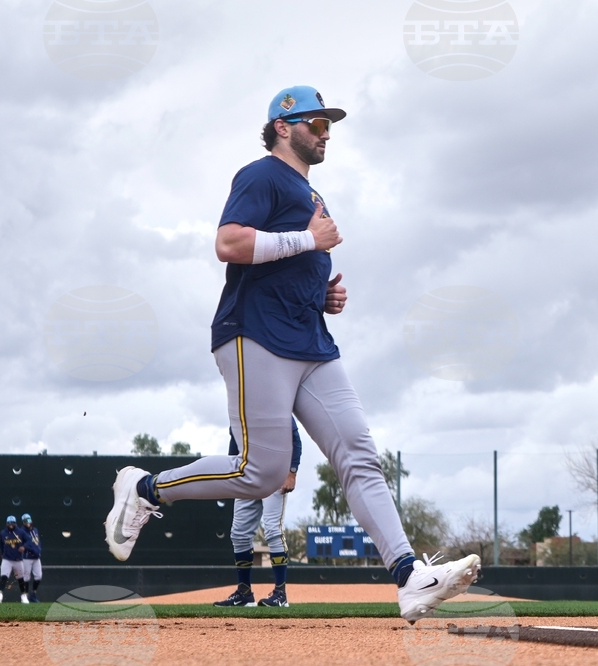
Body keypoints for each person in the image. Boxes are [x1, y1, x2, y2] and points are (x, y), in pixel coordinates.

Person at [103, 85, 481, 624]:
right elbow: (229, 244)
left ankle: (409, 576)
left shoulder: (312, 196)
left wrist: (323, 294)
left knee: (359, 453)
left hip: (309, 338)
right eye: (317, 123)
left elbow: (289, 260)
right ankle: (144, 488)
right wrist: (307, 242)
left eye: (330, 126)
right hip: (254, 334)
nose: (326, 133)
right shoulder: (261, 175)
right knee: (261, 473)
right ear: (284, 127)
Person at [214, 421, 300, 608]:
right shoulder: (239, 408)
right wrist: (232, 476)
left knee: (273, 530)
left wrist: (292, 472)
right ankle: (244, 593)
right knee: (238, 534)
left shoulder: (273, 401)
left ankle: (281, 594)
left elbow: (295, 438)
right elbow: (234, 446)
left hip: (274, 473)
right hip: (248, 476)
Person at [0, 515, 29, 604]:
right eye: (9, 523)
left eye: (12, 523)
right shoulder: (3, 533)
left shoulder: (20, 532)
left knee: (21, 579)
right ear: (6, 524)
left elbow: (29, 540)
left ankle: (23, 596)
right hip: (7, 559)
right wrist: (3, 554)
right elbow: (1, 545)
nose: (11, 525)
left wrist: (24, 547)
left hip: (18, 559)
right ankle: (0, 594)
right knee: (4, 577)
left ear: (15, 523)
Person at [19, 513, 42, 603]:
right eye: (25, 521)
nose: (27, 522)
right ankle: (25, 595)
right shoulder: (21, 532)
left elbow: (37, 542)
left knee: (38, 576)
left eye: (28, 520)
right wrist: (29, 549)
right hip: (27, 557)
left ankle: (33, 593)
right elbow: (23, 544)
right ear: (23, 522)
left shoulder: (35, 530)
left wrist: (39, 550)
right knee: (26, 577)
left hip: (36, 557)